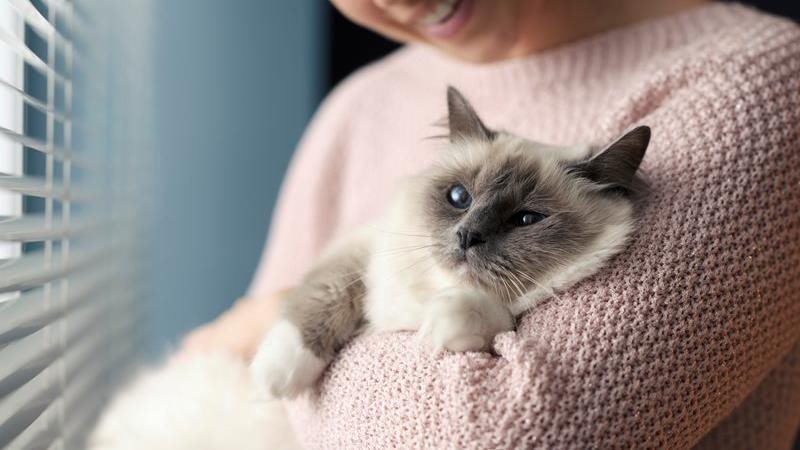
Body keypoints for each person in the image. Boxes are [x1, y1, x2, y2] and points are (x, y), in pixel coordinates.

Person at [182, 0, 800, 447]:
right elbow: (245, 383)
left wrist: (280, 317)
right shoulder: (357, 107)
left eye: (526, 219)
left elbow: (498, 432)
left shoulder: (751, 85)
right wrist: (296, 320)